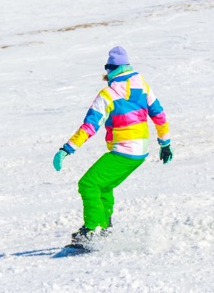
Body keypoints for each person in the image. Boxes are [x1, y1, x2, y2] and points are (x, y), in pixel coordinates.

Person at [53, 46, 172, 246]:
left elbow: (90, 125)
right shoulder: (143, 86)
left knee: (88, 184)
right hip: (140, 151)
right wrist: (165, 143)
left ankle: (92, 231)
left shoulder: (108, 93)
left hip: (125, 151)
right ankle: (104, 228)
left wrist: (67, 149)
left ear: (111, 68)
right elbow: (159, 115)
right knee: (104, 186)